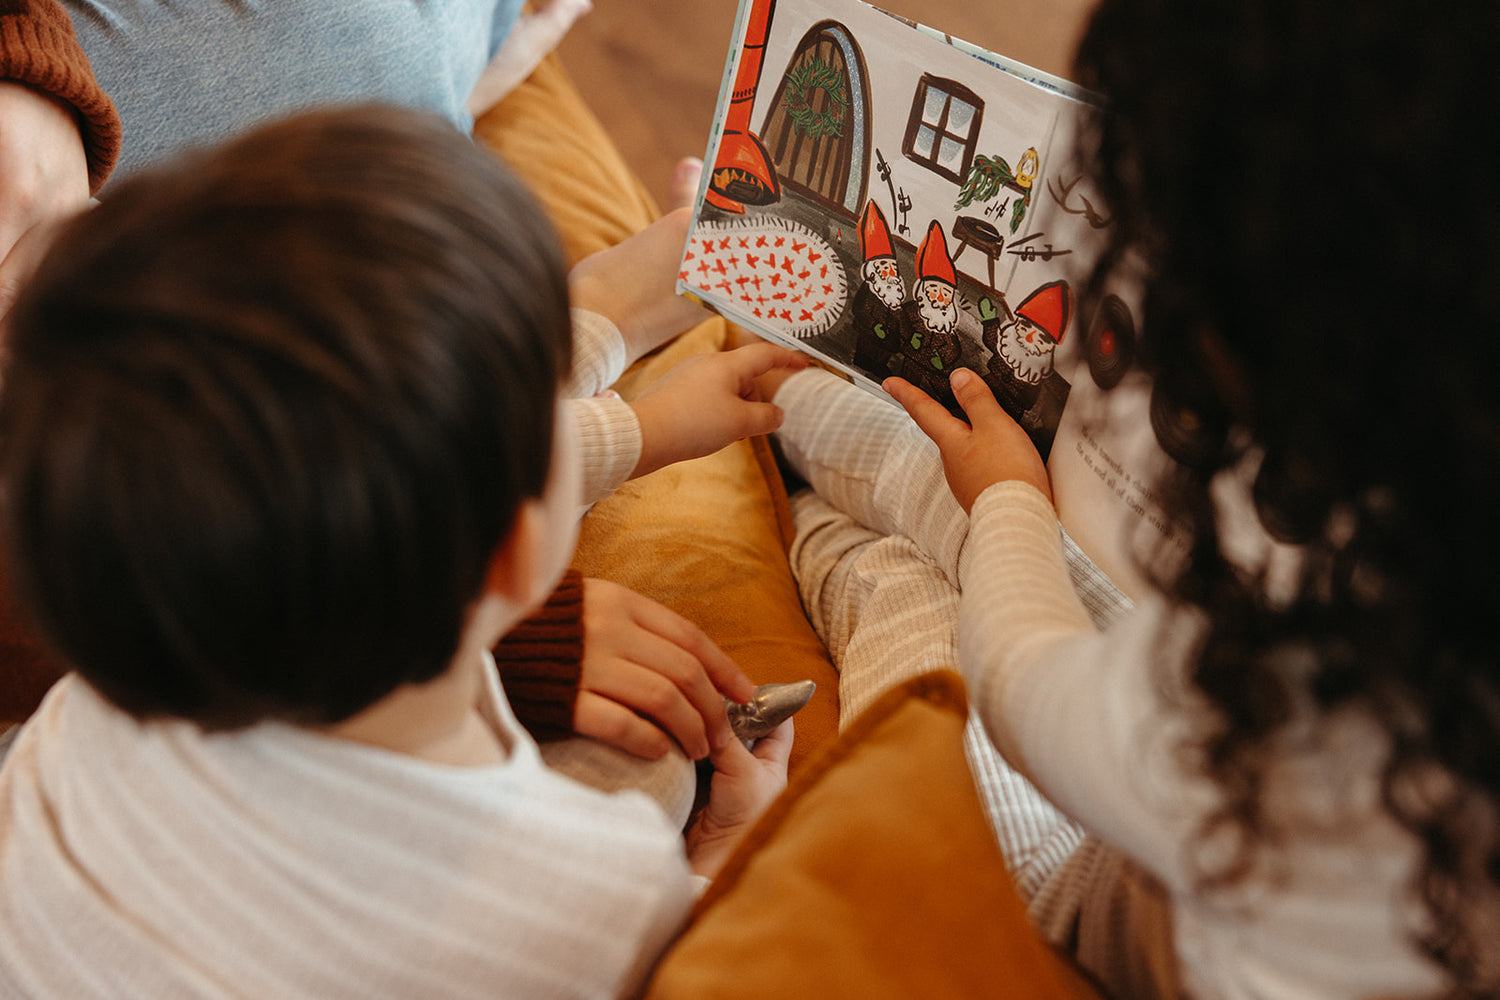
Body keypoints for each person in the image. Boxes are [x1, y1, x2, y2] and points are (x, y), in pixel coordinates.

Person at [759, 0, 1500, 997]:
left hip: (1103, 898)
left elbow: (1022, 680)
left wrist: (1011, 505)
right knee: (995, 519)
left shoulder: (1314, 718)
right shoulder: (1417, 589)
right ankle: (789, 408)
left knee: (909, 603)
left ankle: (792, 459)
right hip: (1168, 762)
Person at [0, 105, 798, 998]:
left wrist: (641, 428)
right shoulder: (597, 896)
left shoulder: (88, 704)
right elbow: (701, 955)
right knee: (655, 780)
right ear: (512, 556)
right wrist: (729, 855)